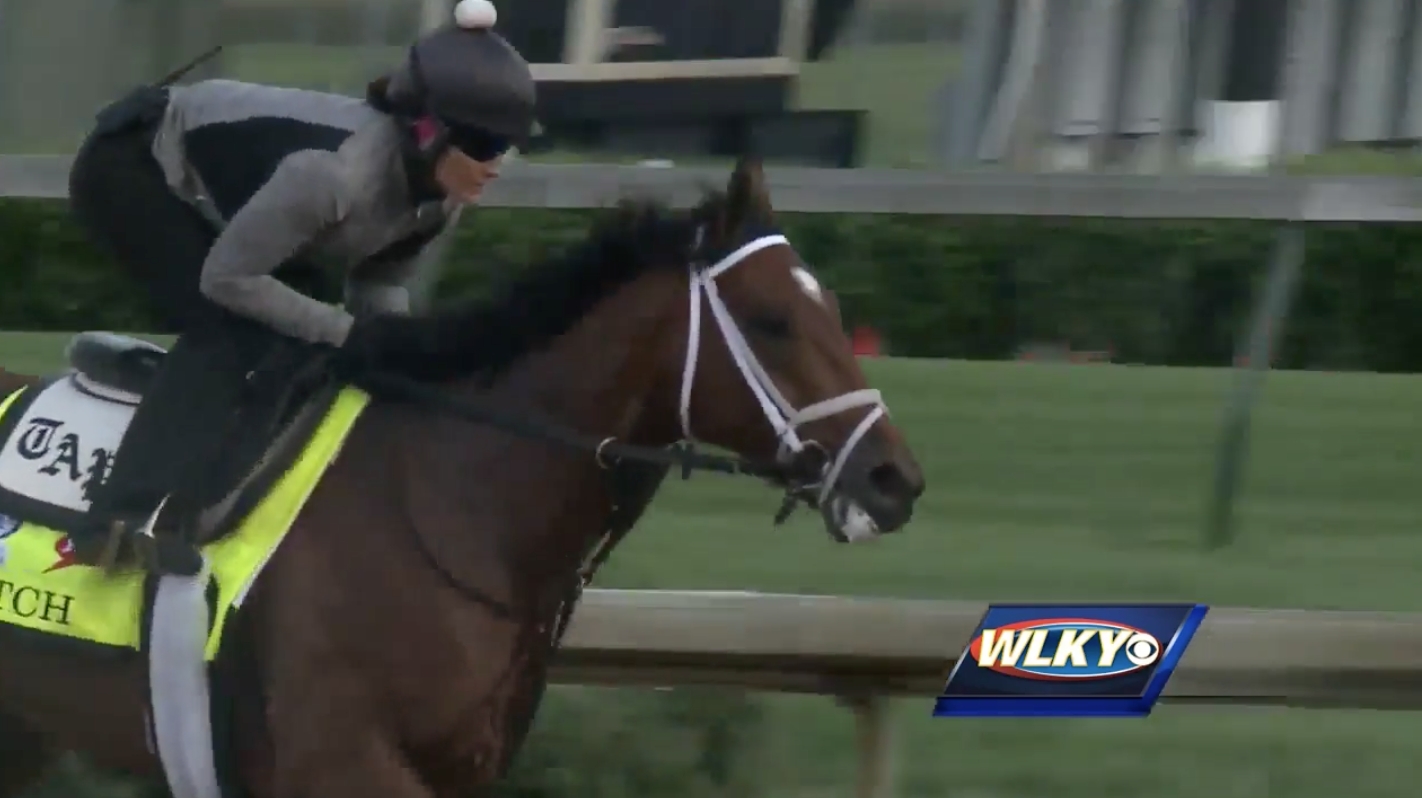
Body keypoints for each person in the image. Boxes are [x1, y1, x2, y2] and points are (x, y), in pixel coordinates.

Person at [66, 0, 534, 576]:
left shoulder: (439, 203)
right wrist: (348, 333)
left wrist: (404, 358)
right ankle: (111, 523)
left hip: (230, 205)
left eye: (507, 149)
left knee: (301, 343)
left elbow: (378, 283)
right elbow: (228, 278)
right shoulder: (331, 176)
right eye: (486, 147)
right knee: (232, 331)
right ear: (427, 132)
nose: (496, 167)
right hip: (133, 164)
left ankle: (206, 505)